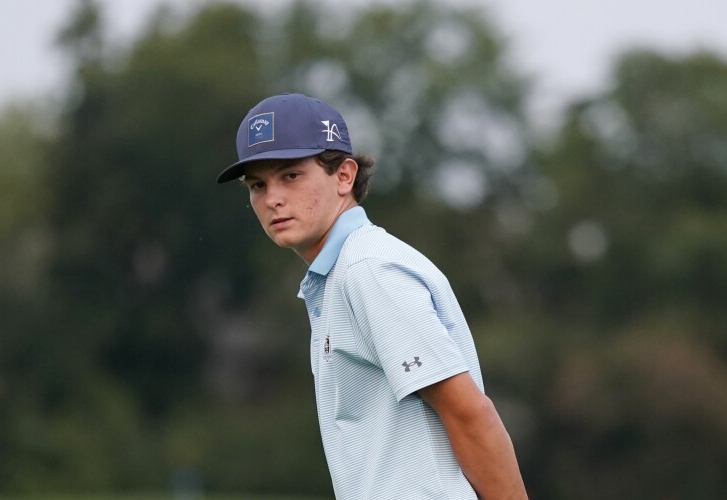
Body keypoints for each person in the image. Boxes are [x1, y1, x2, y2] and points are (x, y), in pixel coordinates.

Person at [217, 93, 527, 500]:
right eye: (258, 185)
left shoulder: (369, 272)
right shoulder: (343, 273)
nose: (272, 198)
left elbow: (470, 415)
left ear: (344, 176)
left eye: (290, 175)